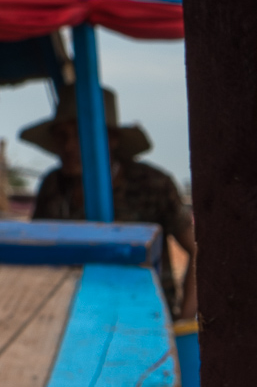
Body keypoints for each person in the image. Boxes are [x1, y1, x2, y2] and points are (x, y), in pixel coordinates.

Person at [22, 85, 197, 318]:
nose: (69, 146)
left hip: (145, 318)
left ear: (111, 139)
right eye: (62, 136)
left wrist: (184, 320)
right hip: (71, 317)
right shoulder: (53, 186)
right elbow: (36, 255)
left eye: (80, 134)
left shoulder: (152, 184)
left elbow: (197, 251)